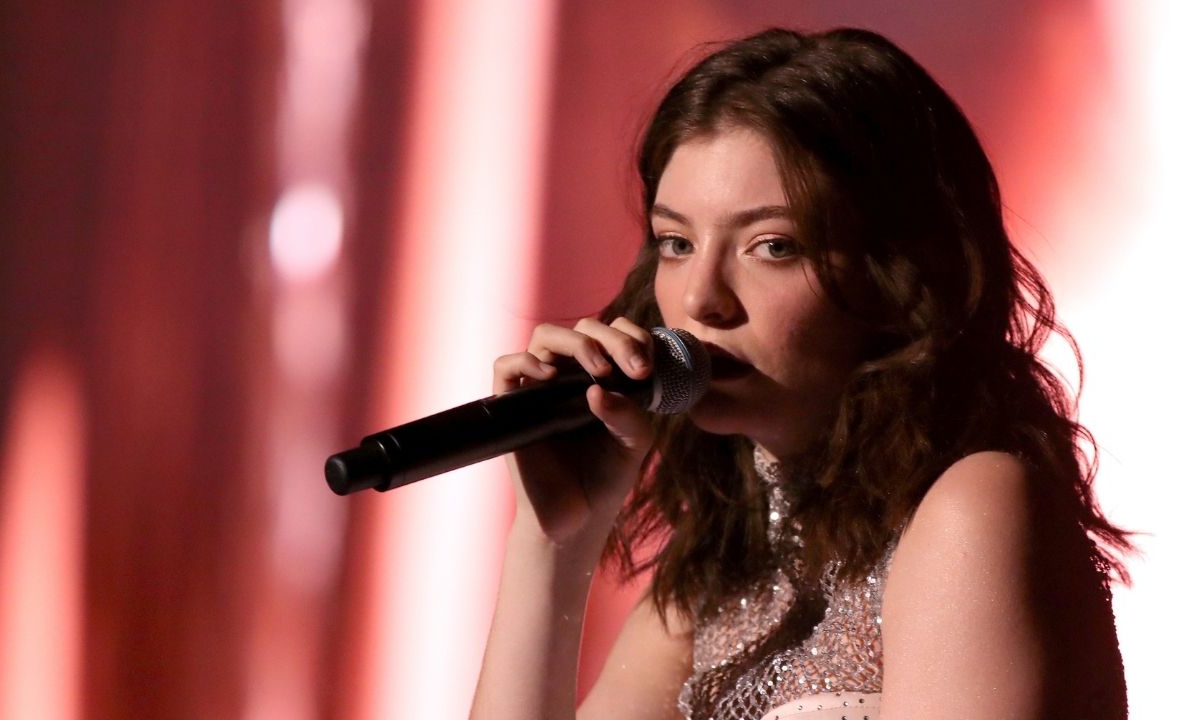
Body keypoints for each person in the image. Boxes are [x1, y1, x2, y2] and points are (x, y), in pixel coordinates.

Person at [470, 27, 1130, 720]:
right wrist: (555, 543)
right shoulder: (718, 583)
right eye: (676, 242)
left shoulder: (974, 508)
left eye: (772, 246)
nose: (700, 299)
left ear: (900, 273)